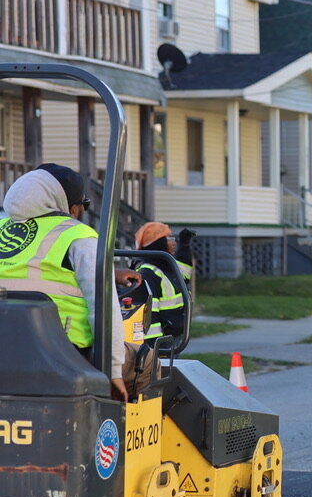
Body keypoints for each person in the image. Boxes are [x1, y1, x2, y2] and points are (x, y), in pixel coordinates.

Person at [0, 164, 129, 401]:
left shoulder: (1, 228)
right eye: (83, 206)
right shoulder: (79, 236)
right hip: (64, 353)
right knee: (146, 361)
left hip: (6, 347)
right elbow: (103, 308)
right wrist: (113, 371)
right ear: (71, 207)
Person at [133, 221, 195, 350]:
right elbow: (150, 314)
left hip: (172, 335)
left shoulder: (166, 266)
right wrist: (159, 347)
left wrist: (184, 245)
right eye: (169, 238)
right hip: (160, 342)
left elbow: (184, 272)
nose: (174, 242)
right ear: (158, 243)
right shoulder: (149, 274)